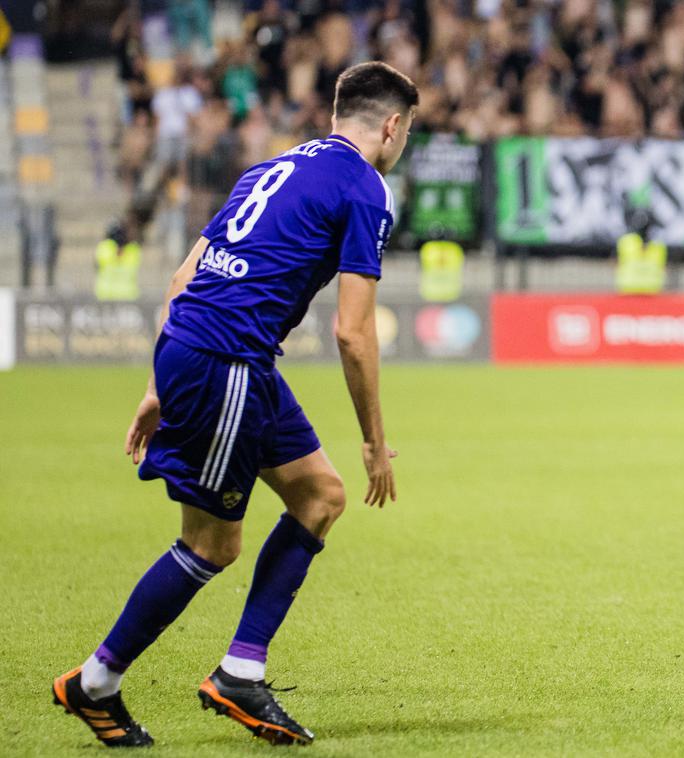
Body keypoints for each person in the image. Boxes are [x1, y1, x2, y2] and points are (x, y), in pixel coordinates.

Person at [53, 61, 419, 747]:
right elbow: (353, 330)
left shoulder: (273, 169)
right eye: (407, 133)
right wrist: (374, 438)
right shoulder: (364, 186)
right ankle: (96, 681)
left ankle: (241, 670)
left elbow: (185, 274)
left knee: (320, 497)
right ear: (392, 126)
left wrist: (162, 382)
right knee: (212, 544)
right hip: (226, 362)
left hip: (211, 352)